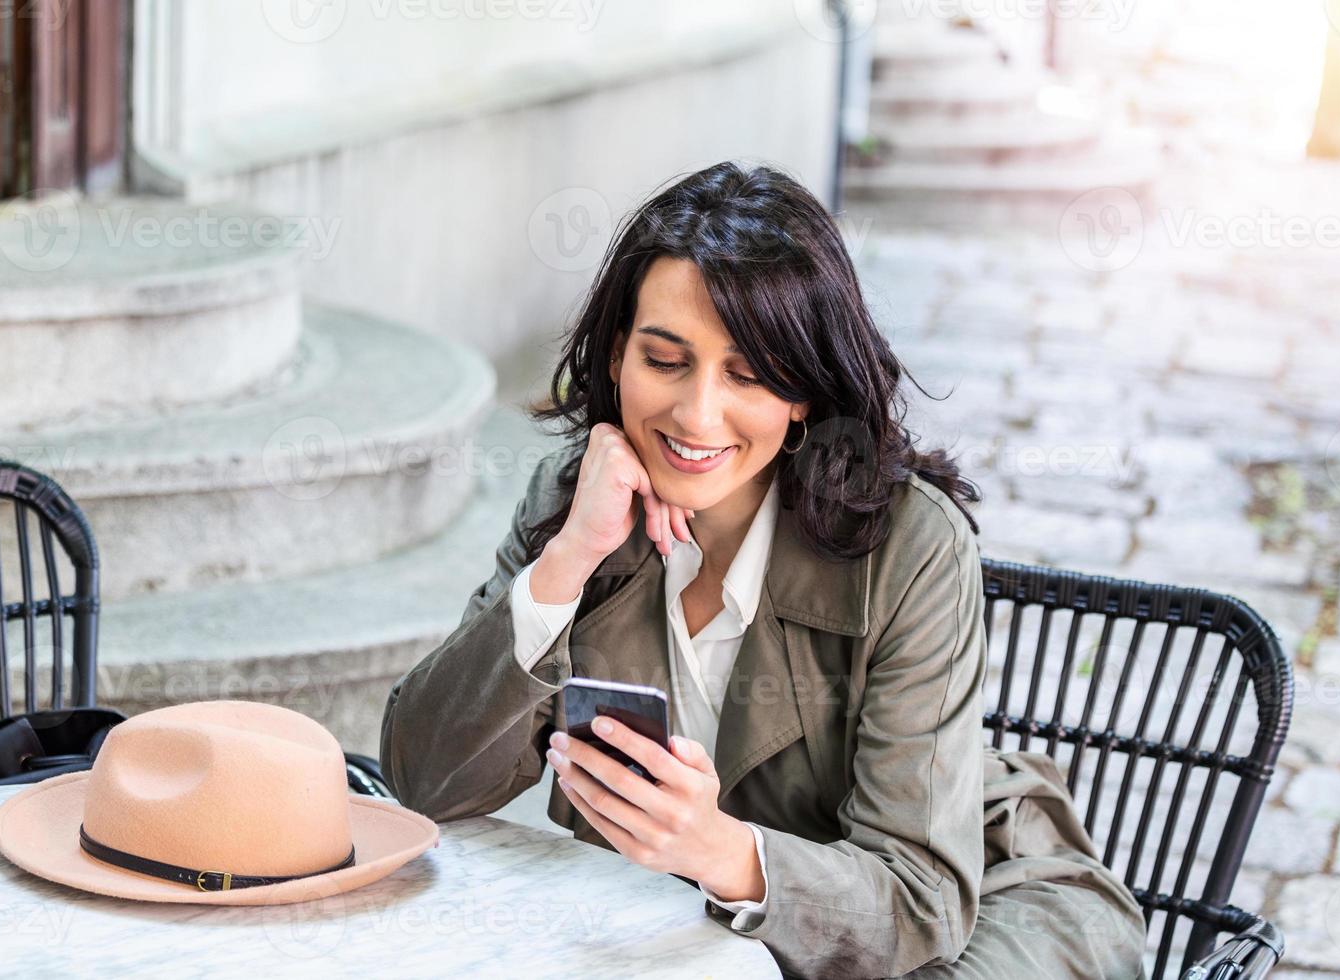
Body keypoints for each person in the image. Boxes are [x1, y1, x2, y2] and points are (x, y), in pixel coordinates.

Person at [381, 161, 1147, 978]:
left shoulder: (913, 547)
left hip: (977, 909)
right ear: (615, 357)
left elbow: (921, 899)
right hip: (718, 937)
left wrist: (722, 851)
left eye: (747, 375)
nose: (696, 414)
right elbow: (428, 781)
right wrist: (567, 561)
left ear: (805, 393)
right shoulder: (573, 507)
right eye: (664, 360)